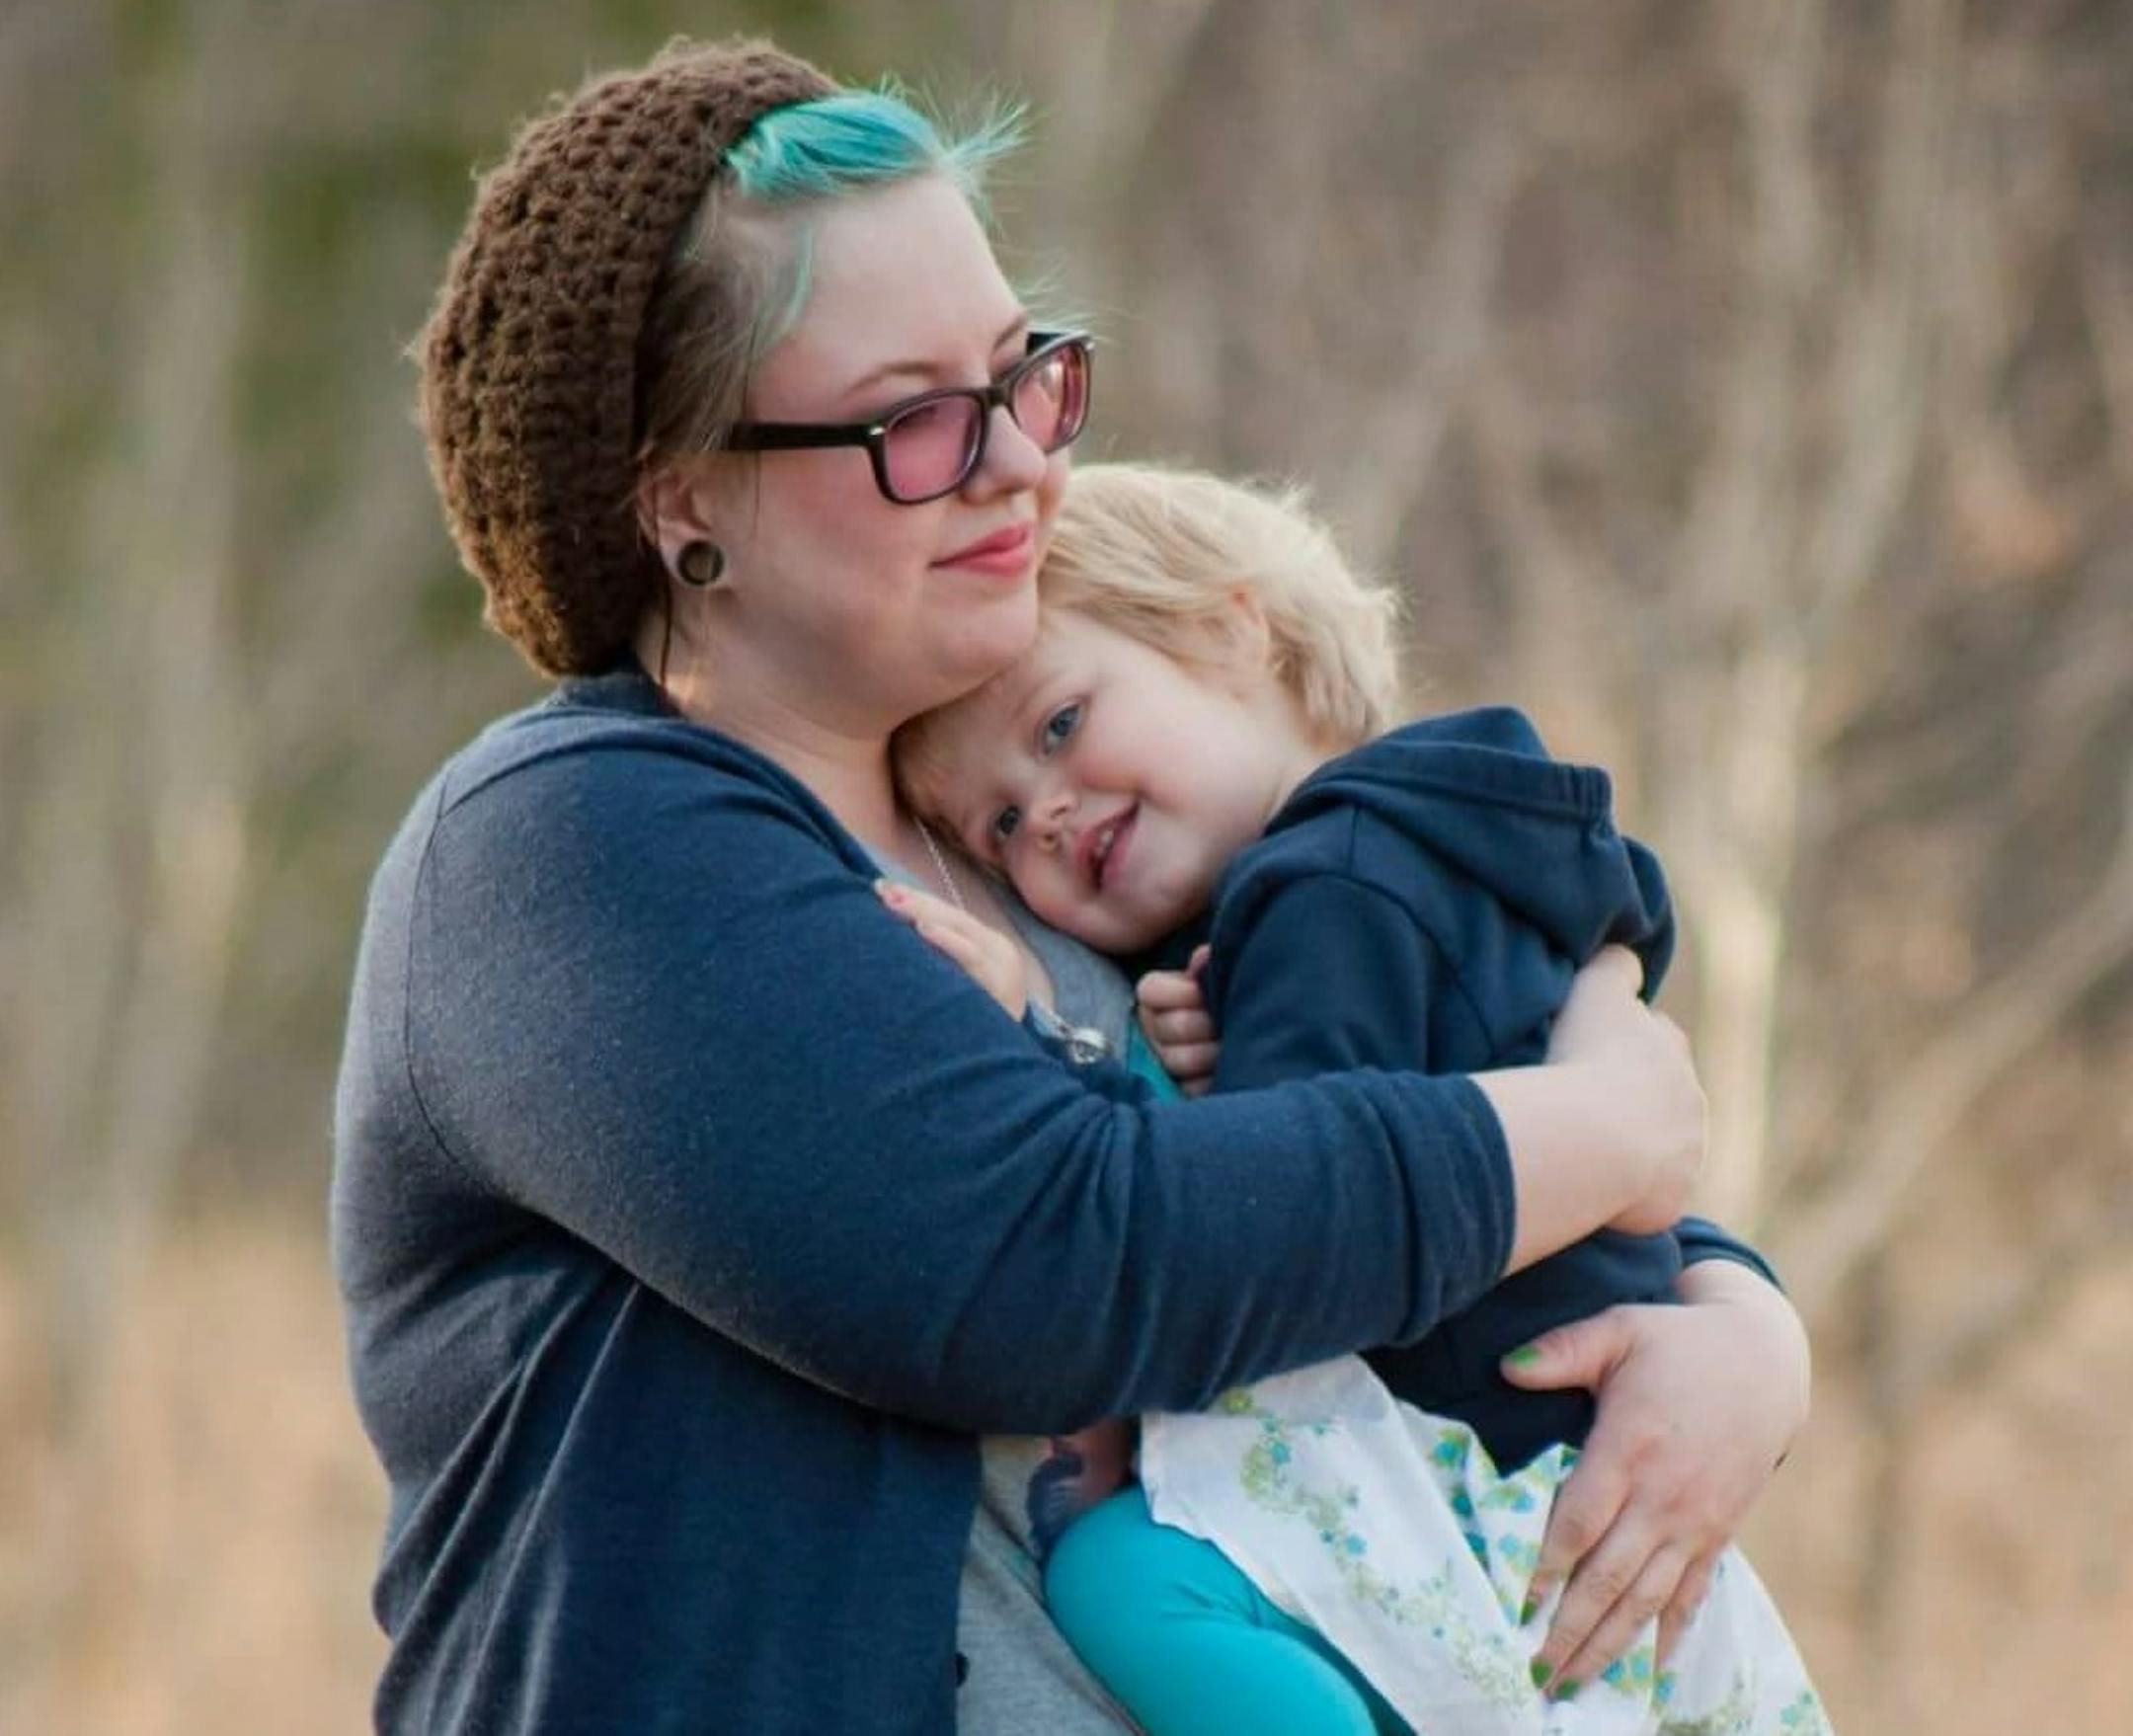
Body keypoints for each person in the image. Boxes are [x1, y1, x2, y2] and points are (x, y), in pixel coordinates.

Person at [331, 39, 1811, 1734]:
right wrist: (1610, 1128)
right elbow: (1071, 1258)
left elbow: (1354, 1146)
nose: (1020, 461)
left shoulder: (1030, 842)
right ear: (683, 506)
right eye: (917, 421)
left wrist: (1731, 1318)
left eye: (1023, 373)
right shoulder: (571, 854)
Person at [892, 462, 1829, 1734]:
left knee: (1126, 1577)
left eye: (1060, 724)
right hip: (1549, 1476)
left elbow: (1275, 1243)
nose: (1044, 813)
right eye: (998, 829)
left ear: (1233, 630)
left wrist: (1050, 1050)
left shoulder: (1326, 891)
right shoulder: (1435, 848)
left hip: (1474, 1480)